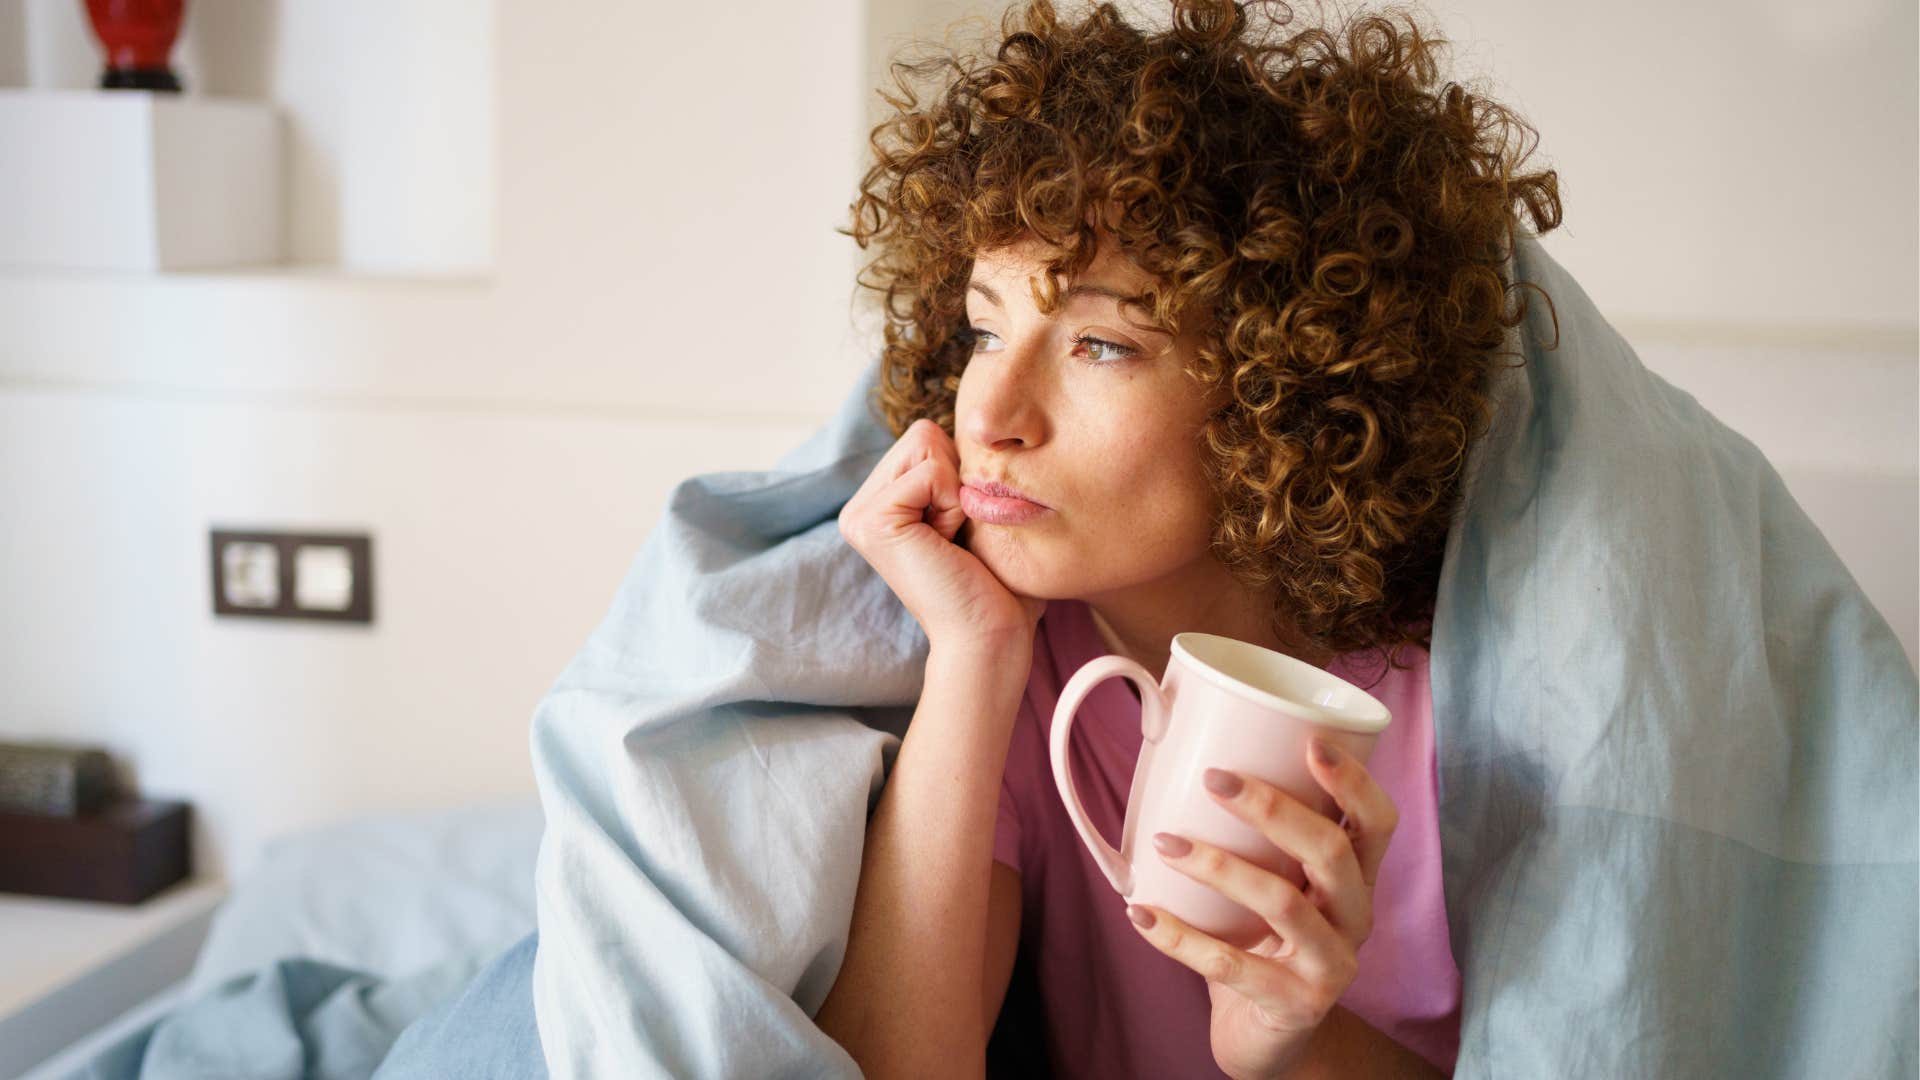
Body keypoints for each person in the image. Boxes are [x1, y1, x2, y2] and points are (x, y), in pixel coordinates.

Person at [814, 0, 1561, 1076]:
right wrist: (974, 654)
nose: (991, 416)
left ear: (1284, 386)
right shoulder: (1021, 681)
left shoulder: (1476, 700)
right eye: (984, 329)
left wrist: (1290, 1049)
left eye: (1101, 345)